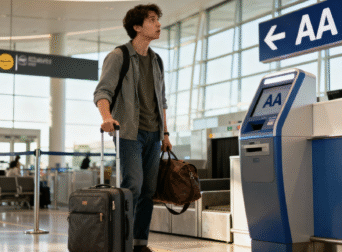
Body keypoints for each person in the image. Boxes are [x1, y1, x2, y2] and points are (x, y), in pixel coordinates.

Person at [94, 4, 172, 252]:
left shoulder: (157, 60)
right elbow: (102, 91)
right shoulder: (119, 55)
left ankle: (140, 243)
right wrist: (106, 117)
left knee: (148, 190)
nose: (158, 24)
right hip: (128, 132)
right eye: (152, 20)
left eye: (158, 19)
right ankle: (122, 241)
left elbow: (162, 100)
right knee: (133, 185)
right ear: (137, 27)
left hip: (153, 133)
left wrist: (166, 133)